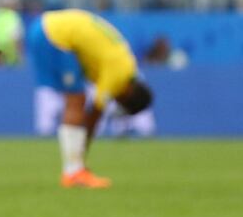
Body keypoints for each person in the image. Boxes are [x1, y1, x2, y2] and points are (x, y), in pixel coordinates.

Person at [27, 9, 153, 188]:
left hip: (46, 26)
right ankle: (74, 171)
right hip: (55, 36)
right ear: (128, 95)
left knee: (76, 98)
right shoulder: (119, 72)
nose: (116, 101)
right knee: (76, 99)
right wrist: (82, 152)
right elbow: (95, 112)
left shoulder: (126, 61)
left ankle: (74, 169)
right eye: (121, 103)